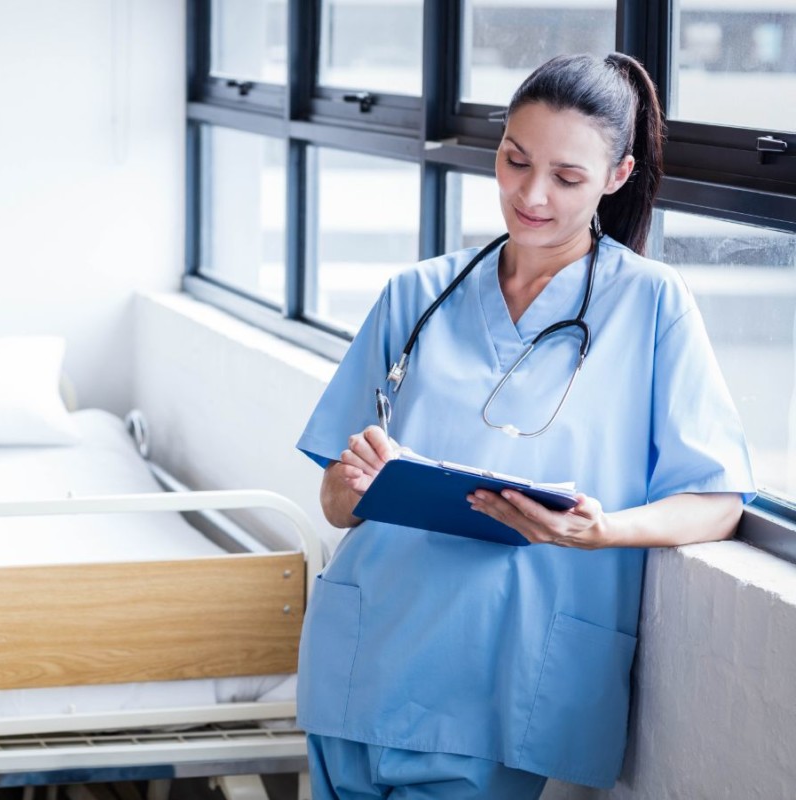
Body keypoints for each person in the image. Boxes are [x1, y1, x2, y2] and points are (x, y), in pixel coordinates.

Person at [295, 53, 755, 799]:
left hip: (496, 684)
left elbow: (718, 501)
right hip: (361, 661)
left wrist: (599, 531)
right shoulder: (417, 293)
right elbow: (334, 503)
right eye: (514, 160)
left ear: (617, 174)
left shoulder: (652, 306)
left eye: (567, 178)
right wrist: (355, 480)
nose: (530, 194)